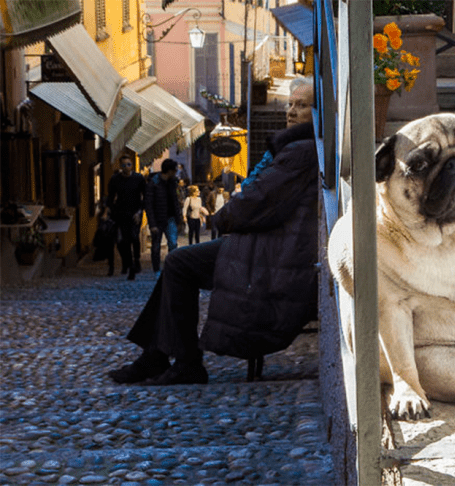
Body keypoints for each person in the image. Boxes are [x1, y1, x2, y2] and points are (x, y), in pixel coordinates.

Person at [108, 77, 318, 385]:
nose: (291, 111)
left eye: (302, 106)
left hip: (274, 257)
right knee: (179, 262)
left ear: (320, 111)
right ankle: (158, 355)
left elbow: (255, 201)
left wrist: (220, 219)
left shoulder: (299, 151)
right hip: (272, 248)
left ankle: (184, 361)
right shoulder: (300, 146)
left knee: (179, 263)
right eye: (290, 103)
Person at [106, 154, 145, 280]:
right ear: (120, 166)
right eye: (123, 165)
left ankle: (136, 260)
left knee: (134, 237)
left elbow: (145, 197)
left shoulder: (138, 178)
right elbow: (111, 197)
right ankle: (128, 264)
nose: (126, 167)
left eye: (128, 164)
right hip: (121, 213)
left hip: (135, 213)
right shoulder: (115, 179)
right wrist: (108, 211)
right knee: (124, 241)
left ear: (132, 165)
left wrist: (140, 212)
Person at [145, 158, 181, 277]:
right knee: (156, 246)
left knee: (173, 244)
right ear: (169, 170)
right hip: (158, 219)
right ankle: (157, 270)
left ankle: (171, 268)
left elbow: (175, 201)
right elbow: (149, 204)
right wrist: (152, 224)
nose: (176, 172)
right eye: (174, 170)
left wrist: (178, 218)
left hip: (170, 218)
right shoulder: (154, 183)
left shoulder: (172, 182)